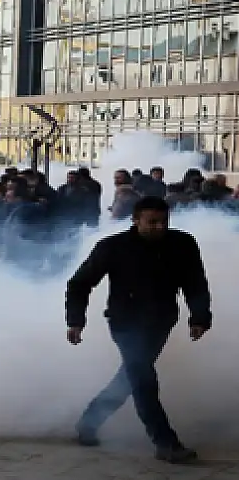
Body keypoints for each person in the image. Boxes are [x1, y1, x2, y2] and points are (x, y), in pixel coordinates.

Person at [67, 196, 210, 464]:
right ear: (135, 220)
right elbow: (79, 284)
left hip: (161, 321)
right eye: (151, 222)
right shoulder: (113, 247)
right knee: (143, 378)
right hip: (124, 321)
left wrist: (199, 317)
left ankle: (89, 422)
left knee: (129, 377)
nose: (158, 228)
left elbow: (195, 284)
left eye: (163, 222)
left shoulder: (182, 244)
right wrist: (76, 320)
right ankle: (166, 443)